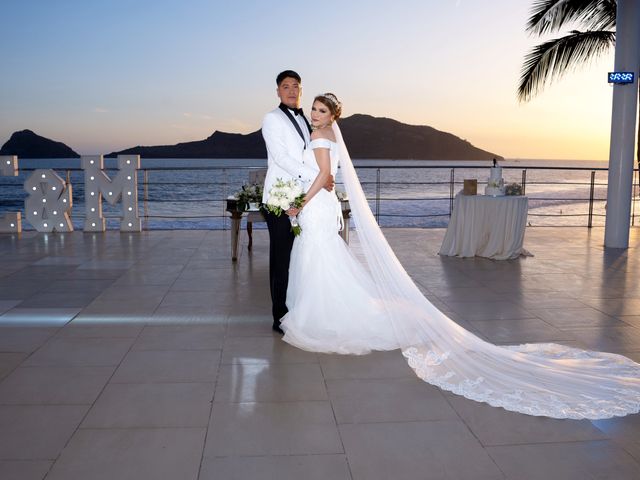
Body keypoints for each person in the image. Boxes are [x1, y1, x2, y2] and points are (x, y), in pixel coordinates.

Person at [279, 92, 640, 420]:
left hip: (314, 206)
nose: (314, 114)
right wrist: (312, 193)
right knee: (323, 257)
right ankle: (325, 310)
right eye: (313, 109)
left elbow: (325, 173)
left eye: (321, 110)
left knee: (320, 257)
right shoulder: (328, 137)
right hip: (323, 205)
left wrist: (297, 203)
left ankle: (320, 315)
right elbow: (327, 176)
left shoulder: (318, 137)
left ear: (331, 116)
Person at [261, 70, 333, 333]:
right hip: (278, 201)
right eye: (285, 86)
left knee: (299, 258)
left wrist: (324, 174)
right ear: (278, 91)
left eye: (296, 86)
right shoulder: (271, 119)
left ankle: (298, 309)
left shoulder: (307, 120)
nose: (291, 90)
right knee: (280, 260)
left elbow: (309, 156)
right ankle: (279, 316)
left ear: (301, 90)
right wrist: (320, 177)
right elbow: (281, 158)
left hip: (303, 200)